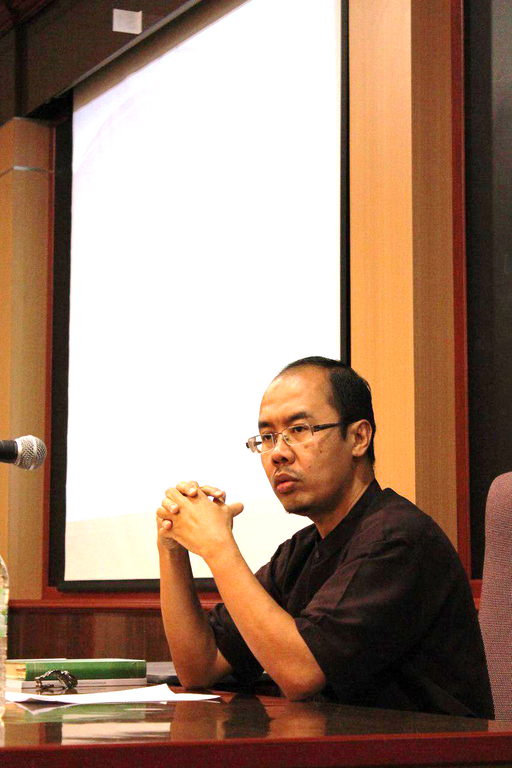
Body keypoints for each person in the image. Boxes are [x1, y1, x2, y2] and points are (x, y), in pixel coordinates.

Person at [156, 357, 493, 716]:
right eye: (267, 437)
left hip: (431, 744)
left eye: (299, 430)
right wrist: (171, 547)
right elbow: (200, 666)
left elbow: (301, 674)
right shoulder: (300, 553)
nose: (278, 454)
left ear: (359, 438)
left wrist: (218, 547)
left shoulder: (399, 539)